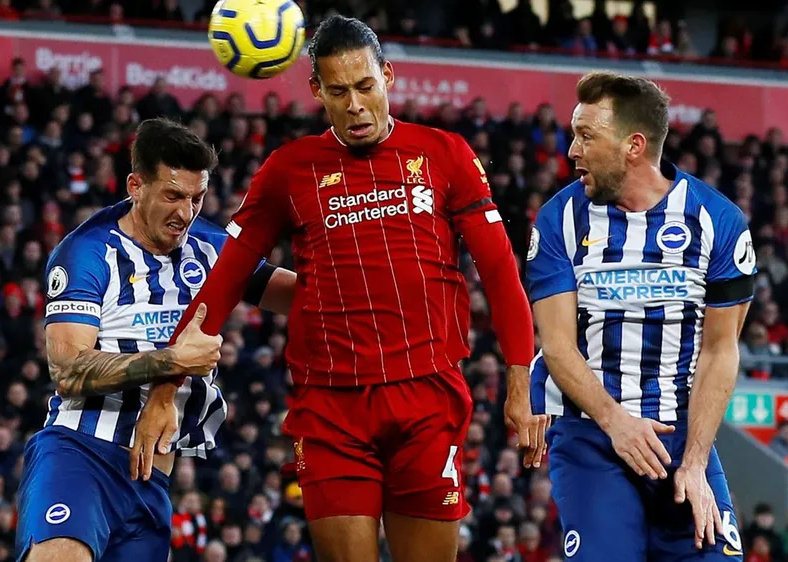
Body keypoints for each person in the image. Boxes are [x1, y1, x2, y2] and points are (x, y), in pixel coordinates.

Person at [133, 15, 549, 562]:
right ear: (316, 91)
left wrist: (520, 384)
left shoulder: (444, 154)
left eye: (364, 86)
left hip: (427, 397)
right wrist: (165, 389)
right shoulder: (289, 169)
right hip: (331, 408)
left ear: (388, 77)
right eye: (338, 91)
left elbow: (500, 273)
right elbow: (226, 277)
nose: (354, 104)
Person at [14, 118, 296, 562]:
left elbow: (295, 296)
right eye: (173, 195)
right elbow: (67, 369)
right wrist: (169, 360)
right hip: (80, 457)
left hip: (152, 480)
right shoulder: (87, 251)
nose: (186, 212)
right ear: (135, 185)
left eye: (197, 198)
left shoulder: (209, 246)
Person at [526, 71, 755, 561]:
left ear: (633, 145)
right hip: (590, 435)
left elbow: (721, 349)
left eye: (587, 135)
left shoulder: (718, 222)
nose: (572, 150)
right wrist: (616, 421)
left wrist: (694, 462)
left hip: (679, 438)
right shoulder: (559, 219)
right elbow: (558, 345)